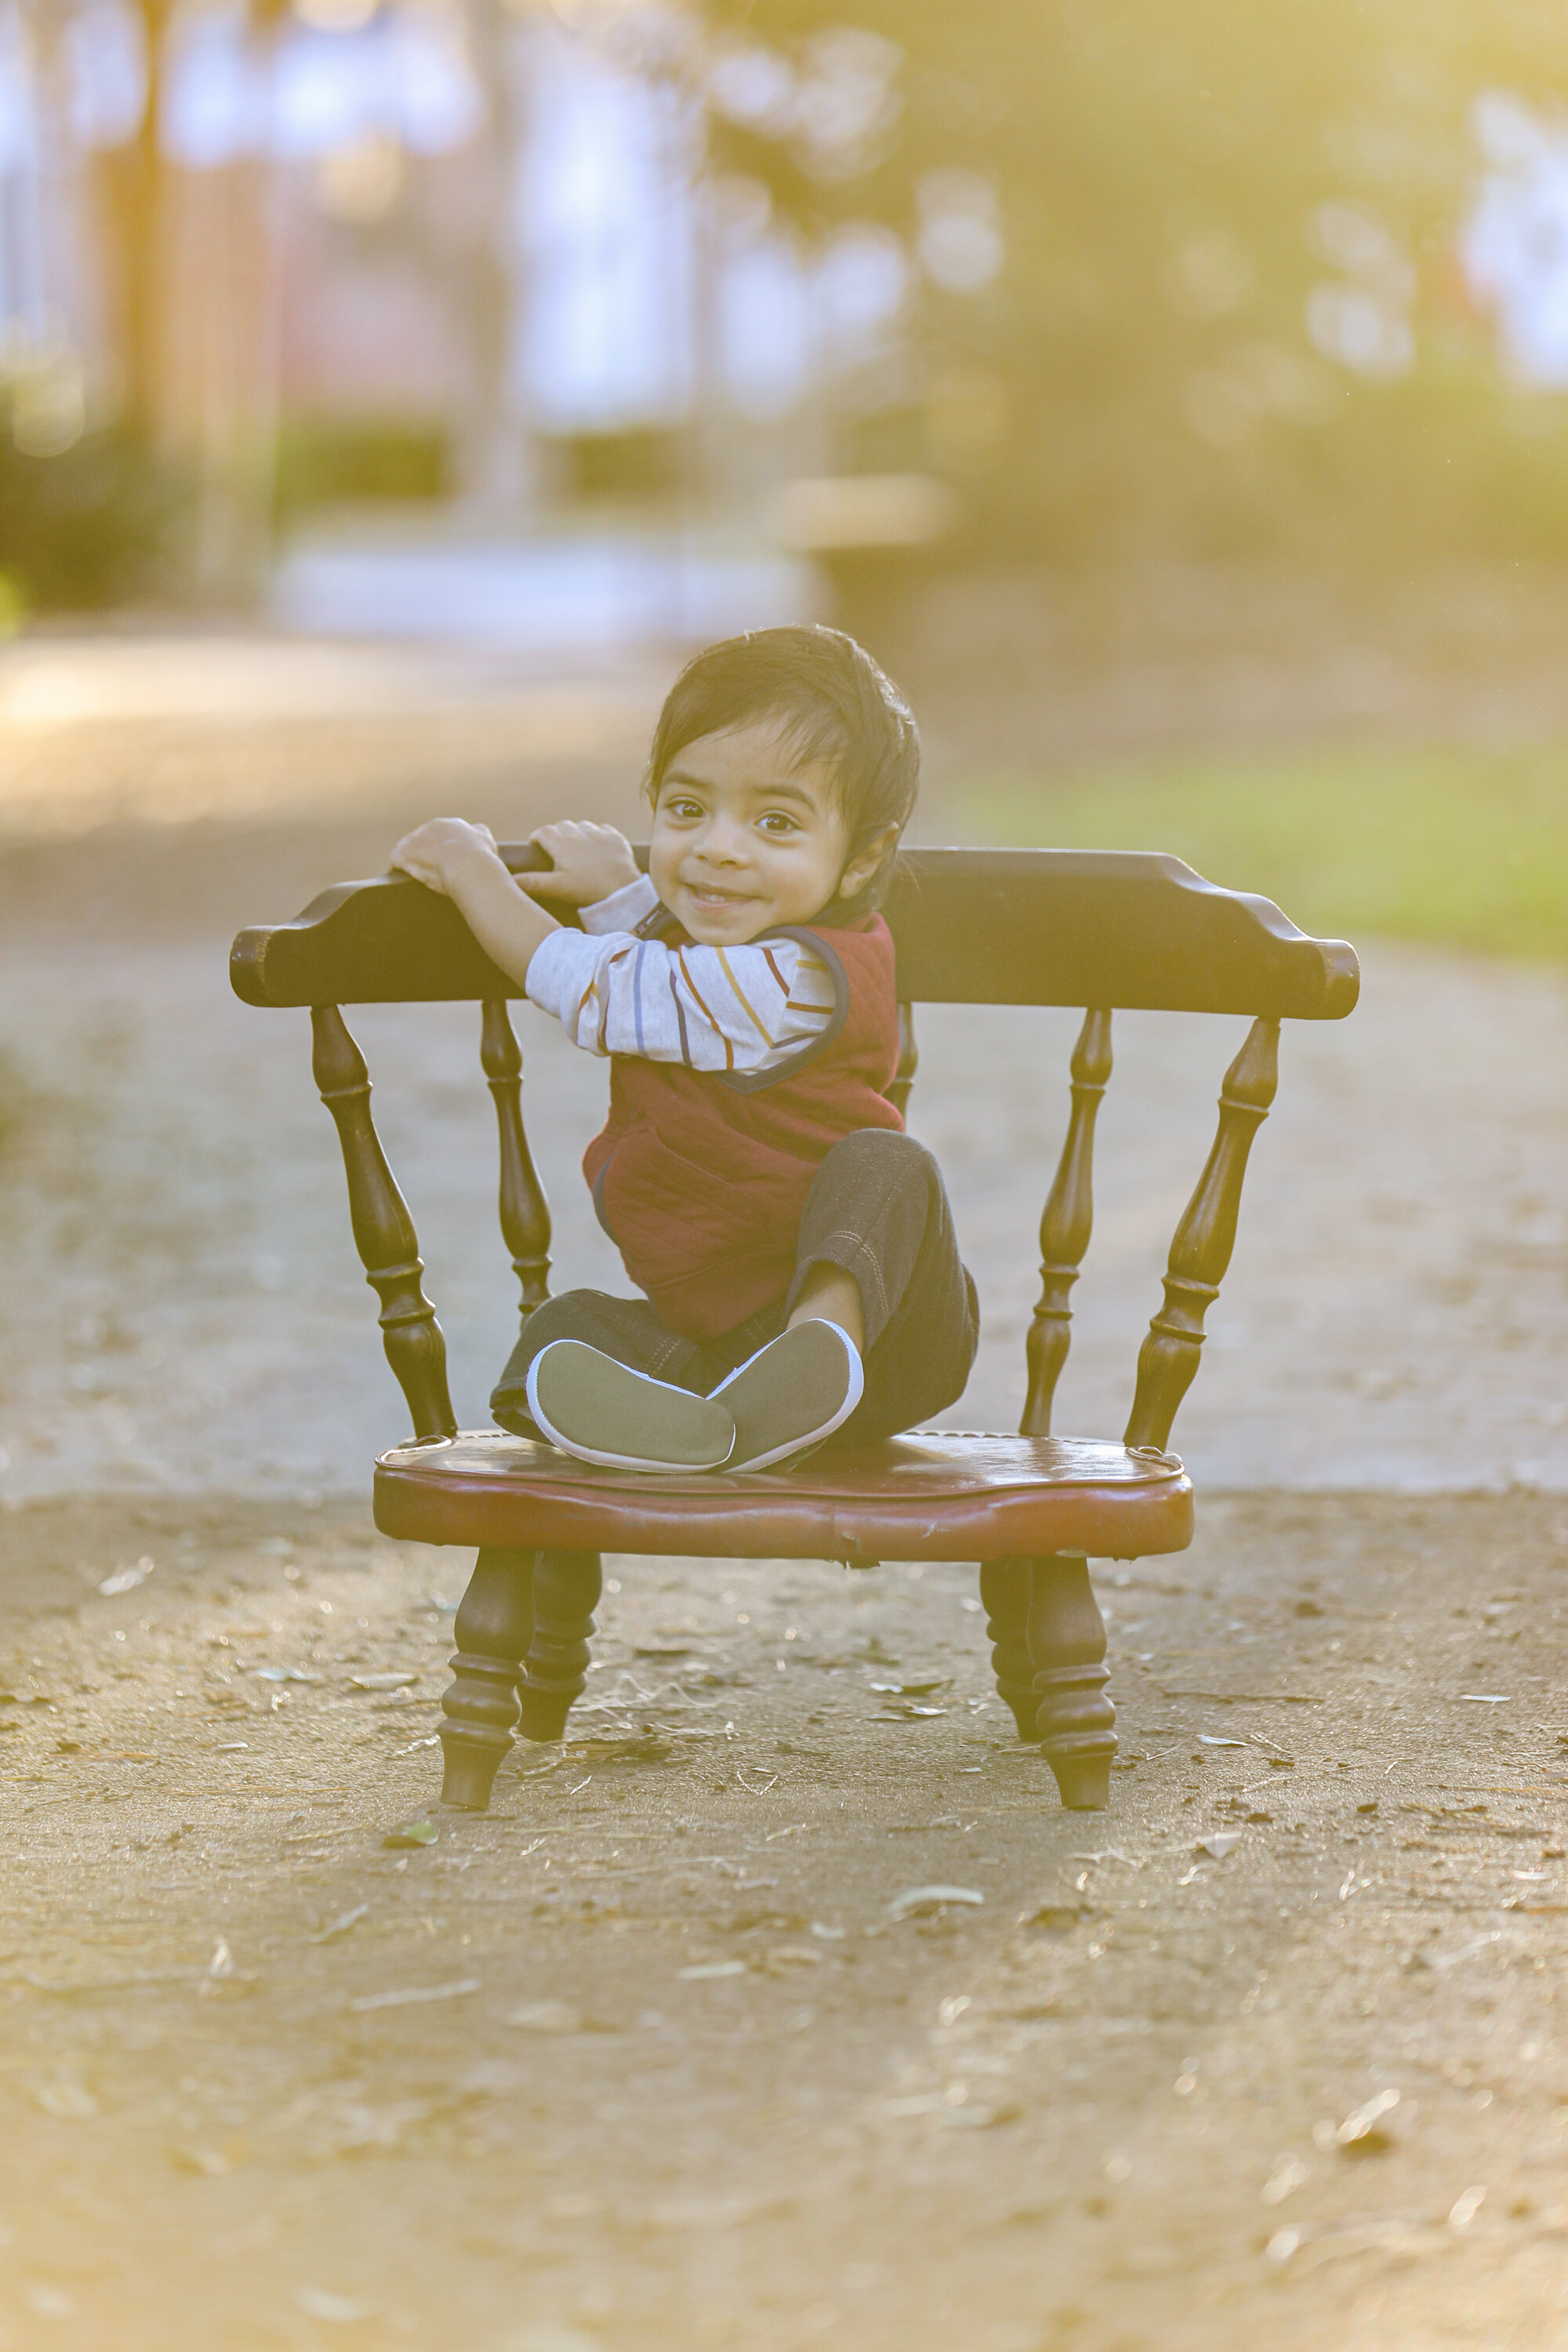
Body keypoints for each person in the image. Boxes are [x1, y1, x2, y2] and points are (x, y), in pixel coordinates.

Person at [390, 624, 978, 1475]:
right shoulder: (735, 976)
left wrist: (471, 869)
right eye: (686, 809)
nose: (717, 847)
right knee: (562, 1335)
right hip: (730, 1345)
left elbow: (604, 989)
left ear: (861, 860)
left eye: (774, 822)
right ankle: (716, 1424)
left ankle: (817, 1356)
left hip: (886, 1343)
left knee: (886, 1164)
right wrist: (627, 896)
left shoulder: (794, 982)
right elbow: (686, 986)